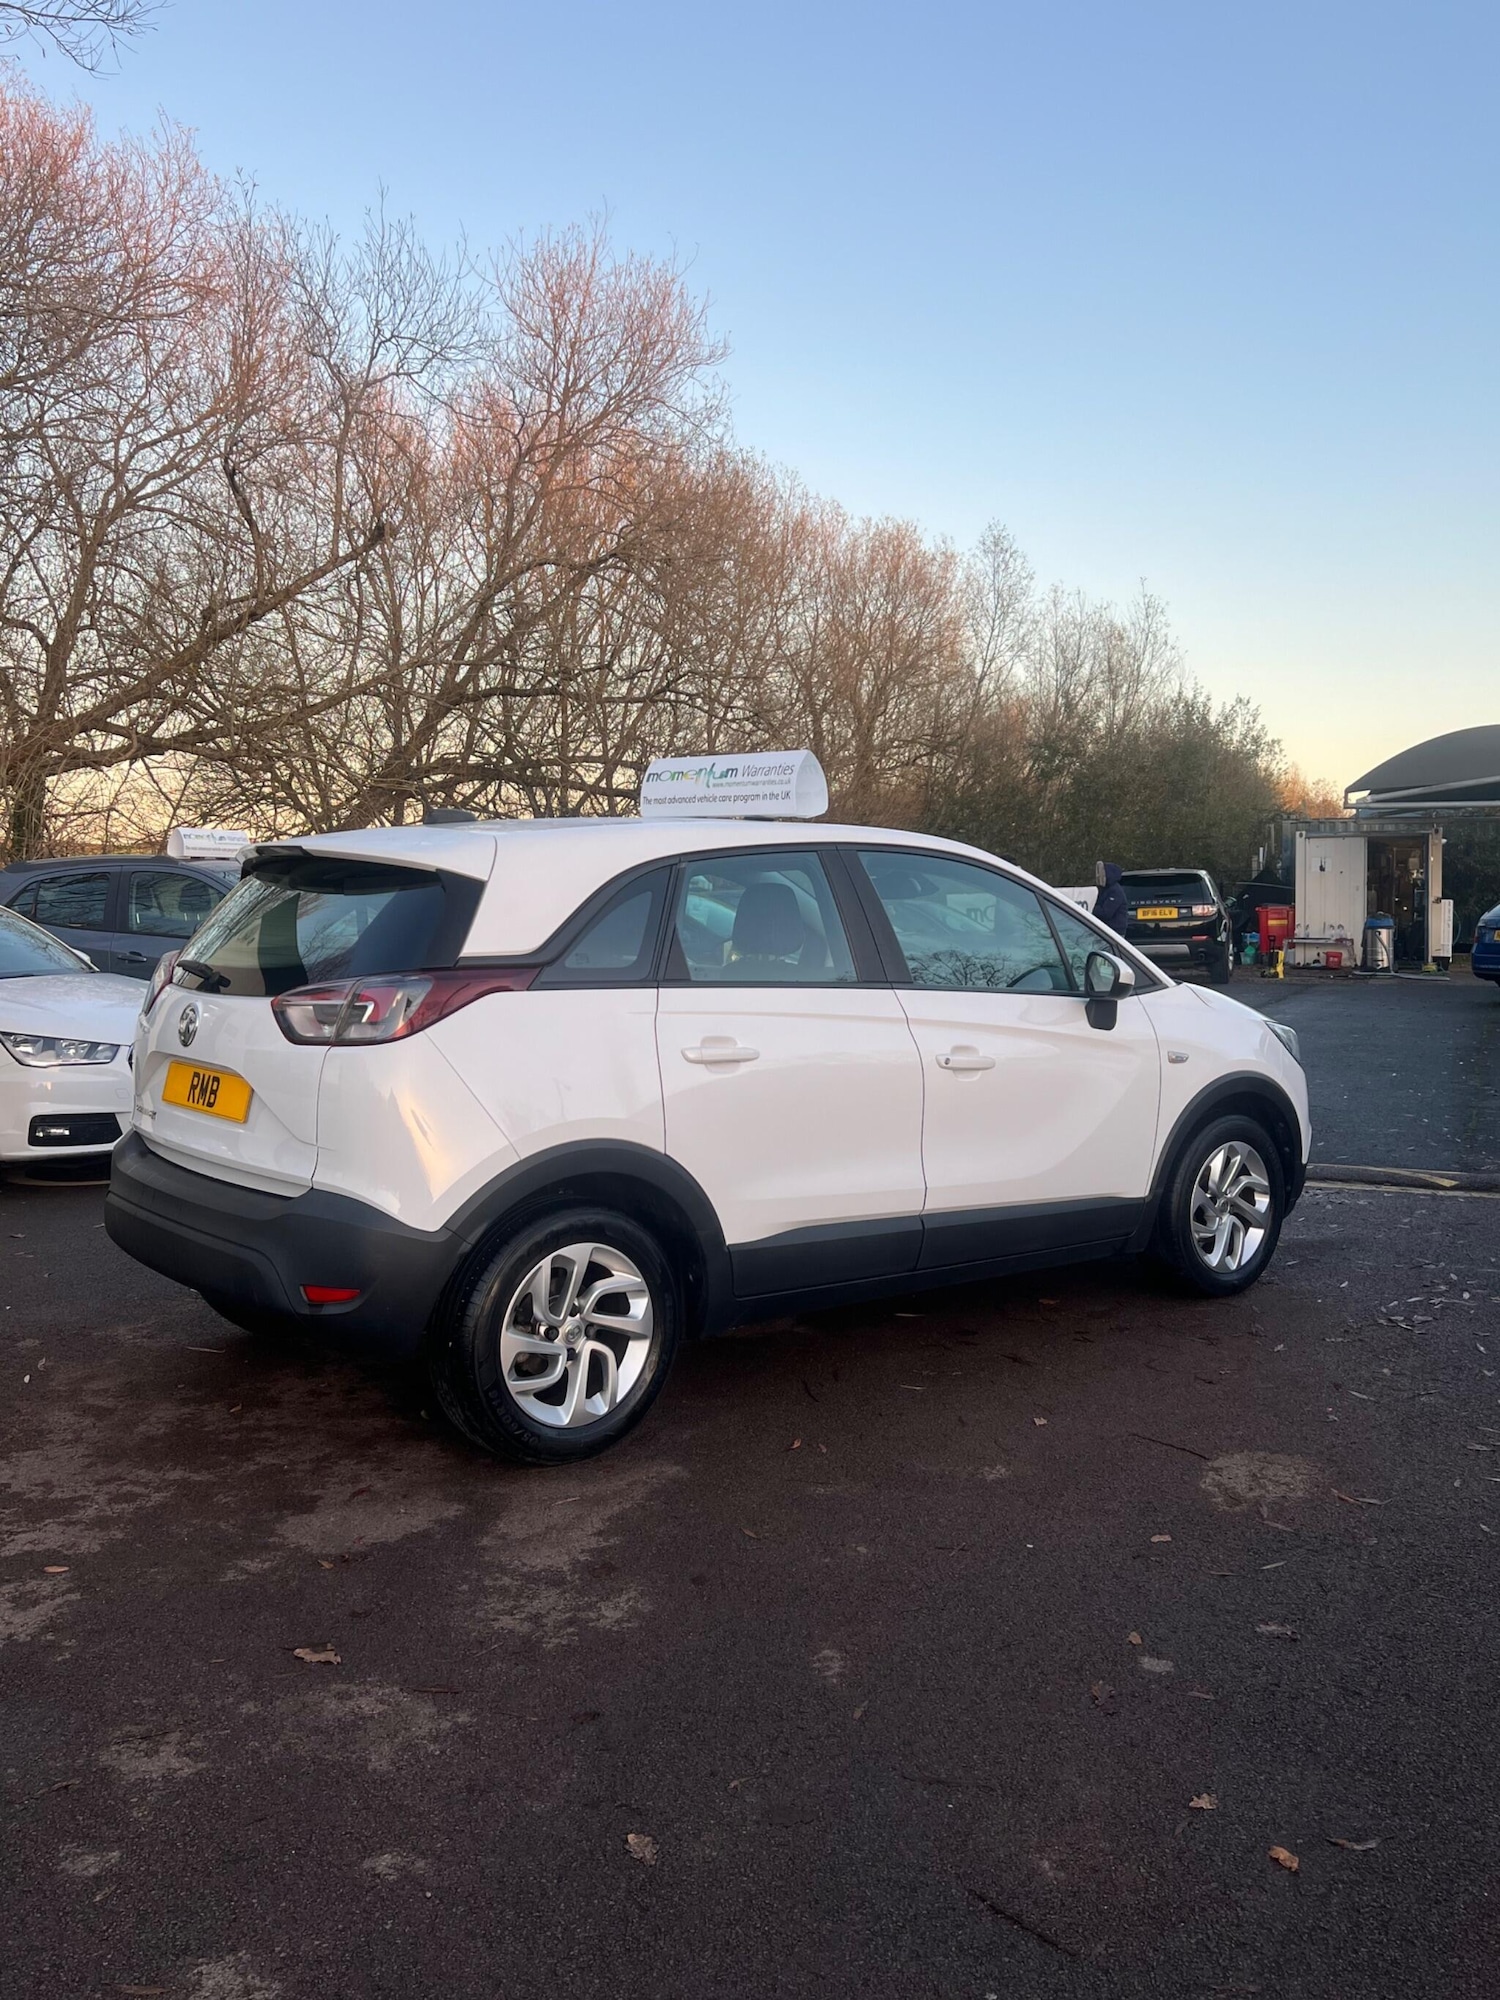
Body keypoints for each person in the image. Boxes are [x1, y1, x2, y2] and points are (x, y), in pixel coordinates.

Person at [1093, 861, 1128, 934]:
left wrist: (1090, 908)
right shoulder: (1104, 889)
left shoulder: (1115, 891)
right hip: (1107, 929)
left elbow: (1106, 913)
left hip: (1115, 931)